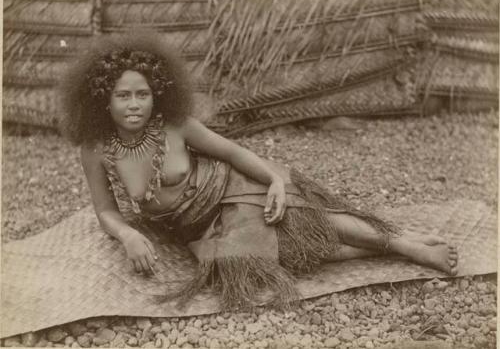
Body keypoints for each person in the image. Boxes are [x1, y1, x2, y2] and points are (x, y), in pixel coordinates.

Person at [59, 32, 458, 310]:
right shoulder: (96, 150)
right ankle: (387, 244)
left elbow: (233, 152)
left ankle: (406, 246)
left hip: (230, 186)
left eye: (142, 94)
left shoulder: (176, 127)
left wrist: (274, 182)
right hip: (194, 228)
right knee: (264, 260)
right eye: (123, 95)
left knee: (307, 223)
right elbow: (105, 210)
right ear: (102, 101)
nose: (134, 104)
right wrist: (127, 233)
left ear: (156, 95)